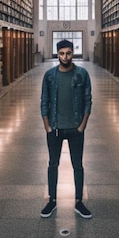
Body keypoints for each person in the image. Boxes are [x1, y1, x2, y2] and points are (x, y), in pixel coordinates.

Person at [40, 39, 92, 218]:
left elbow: (87, 100)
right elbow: (44, 101)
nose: (65, 57)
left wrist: (82, 125)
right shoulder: (49, 75)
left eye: (68, 53)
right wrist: (47, 125)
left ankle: (78, 201)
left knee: (78, 165)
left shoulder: (82, 74)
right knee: (52, 164)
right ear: (57, 54)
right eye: (61, 53)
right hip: (54, 128)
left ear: (73, 53)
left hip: (76, 128)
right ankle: (52, 200)